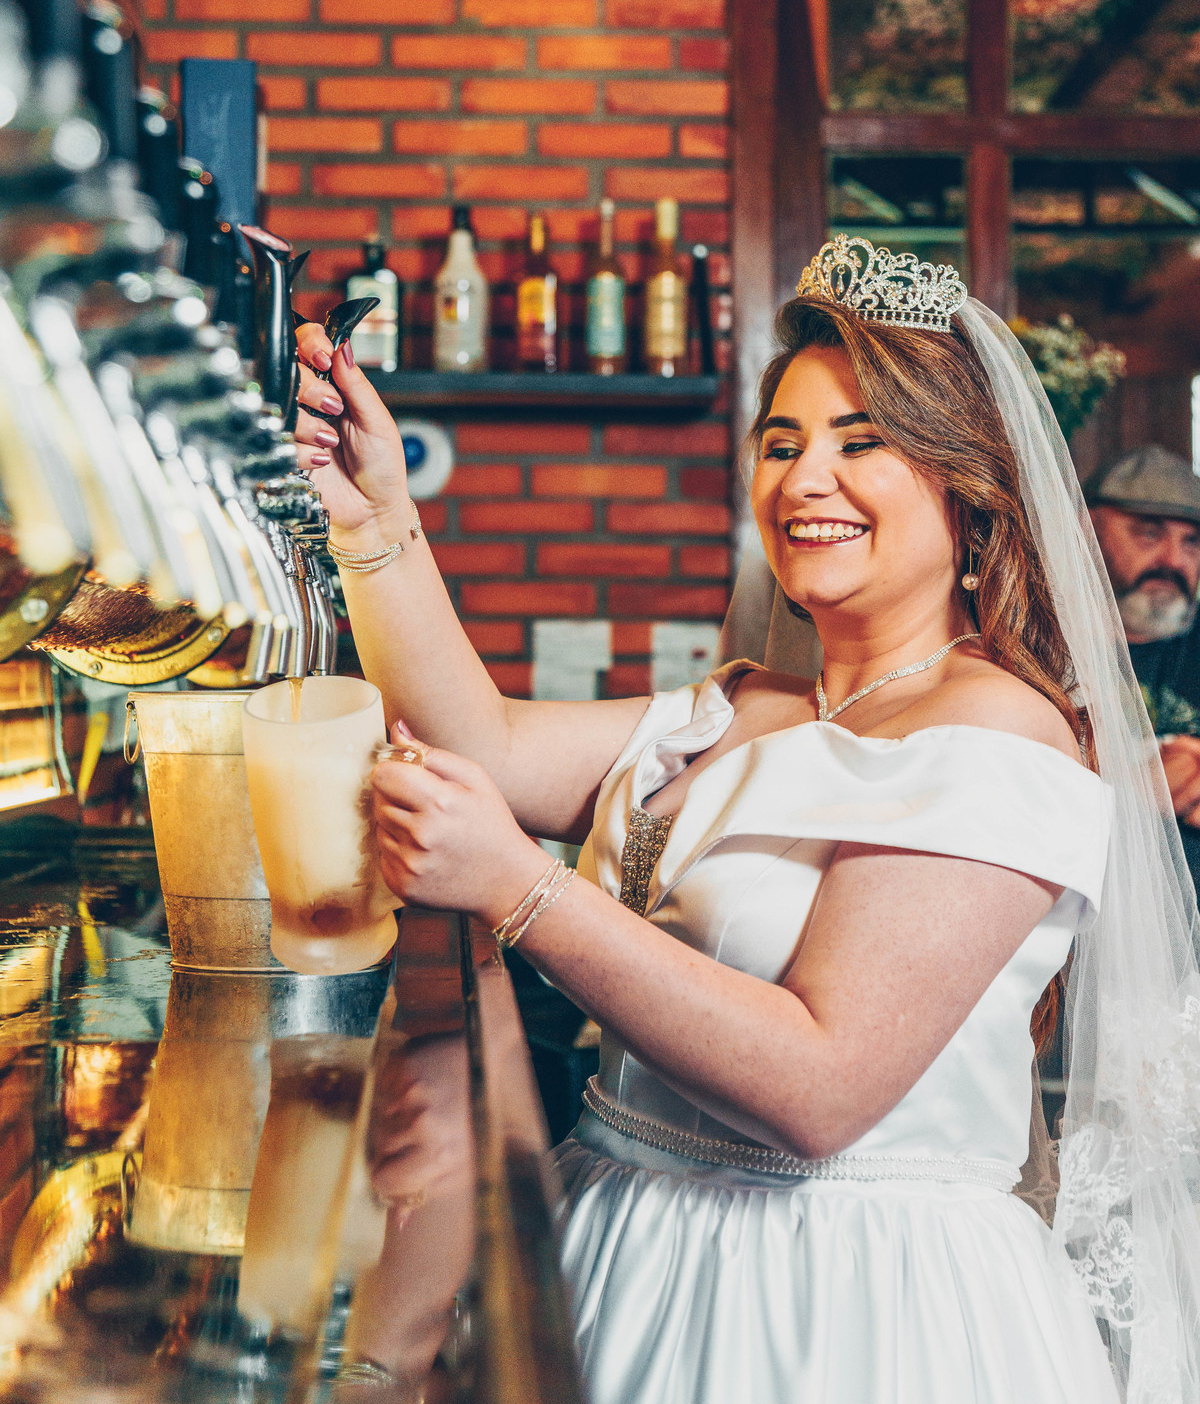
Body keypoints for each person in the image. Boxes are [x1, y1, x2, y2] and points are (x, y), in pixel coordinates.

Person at [294, 236, 1200, 1404]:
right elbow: (487, 748)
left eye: (861, 445)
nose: (804, 480)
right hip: (627, 1243)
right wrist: (377, 521)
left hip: (839, 1309)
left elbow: (821, 1088)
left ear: (966, 487)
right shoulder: (747, 701)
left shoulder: (998, 734)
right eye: (782, 444)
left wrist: (520, 888)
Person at [1087, 446, 1200, 891]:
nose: (1174, 561)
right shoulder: (1032, 647)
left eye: (1191, 541)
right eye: (1148, 534)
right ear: (1087, 531)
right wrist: (1131, 790)